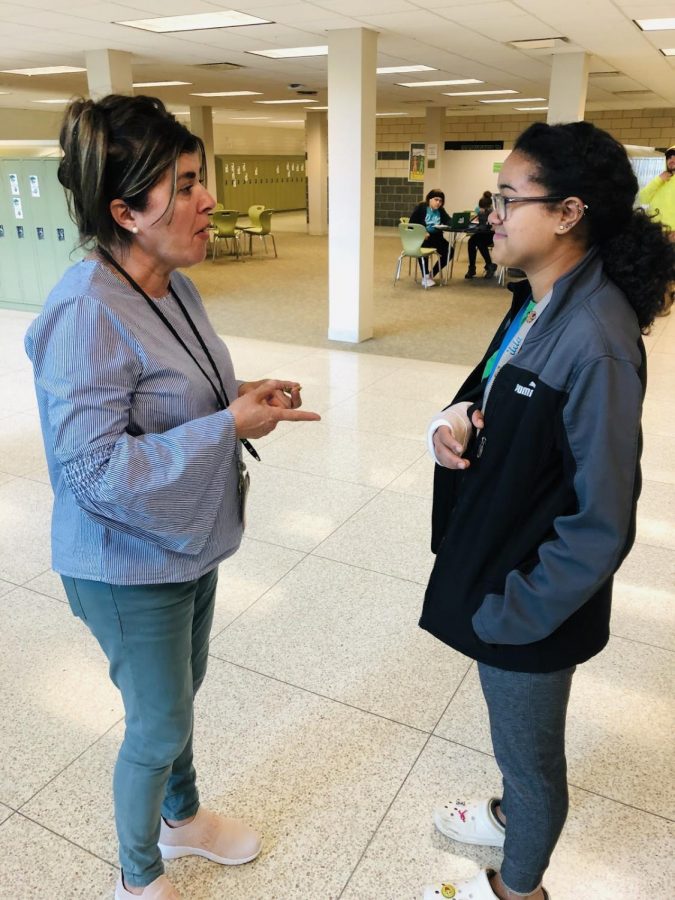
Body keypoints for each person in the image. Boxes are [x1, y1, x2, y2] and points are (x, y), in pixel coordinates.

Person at [24, 94, 320, 900]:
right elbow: (89, 471)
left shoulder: (171, 285)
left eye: (200, 178)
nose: (208, 199)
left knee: (180, 700)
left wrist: (243, 396)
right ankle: (138, 873)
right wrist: (225, 425)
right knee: (156, 724)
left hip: (185, 538)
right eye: (185, 184)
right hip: (123, 565)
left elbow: (183, 388)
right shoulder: (86, 311)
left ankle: (183, 820)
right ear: (125, 210)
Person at [420, 121, 674, 900]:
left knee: (533, 764)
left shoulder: (596, 339)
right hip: (499, 561)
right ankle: (505, 815)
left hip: (530, 601)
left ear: (566, 213)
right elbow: (492, 388)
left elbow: (603, 519)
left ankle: (519, 885)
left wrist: (516, 611)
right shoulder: (539, 300)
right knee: (514, 744)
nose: (488, 213)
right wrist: (453, 423)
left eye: (505, 198)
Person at [639, 144, 675, 315]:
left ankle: (664, 305)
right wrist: (660, 179)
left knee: (668, 270)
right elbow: (643, 196)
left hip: (672, 234)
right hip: (654, 232)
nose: (672, 160)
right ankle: (655, 302)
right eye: (669, 157)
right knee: (653, 268)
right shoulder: (661, 180)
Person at [409, 189, 454, 287]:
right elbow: (411, 225)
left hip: (437, 237)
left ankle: (431, 274)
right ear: (429, 199)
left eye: (440, 201)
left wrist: (454, 223)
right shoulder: (421, 208)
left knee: (450, 251)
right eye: (436, 200)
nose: (438, 203)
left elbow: (448, 220)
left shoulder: (440, 210)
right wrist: (422, 231)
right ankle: (425, 276)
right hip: (422, 238)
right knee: (423, 250)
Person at [466, 195, 497, 279]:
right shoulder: (480, 213)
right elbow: (481, 225)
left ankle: (489, 265)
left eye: (484, 208)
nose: (481, 210)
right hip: (482, 234)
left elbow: (494, 227)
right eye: (481, 208)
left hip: (493, 235)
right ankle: (472, 268)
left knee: (480, 242)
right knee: (471, 241)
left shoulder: (495, 213)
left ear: (490, 206)